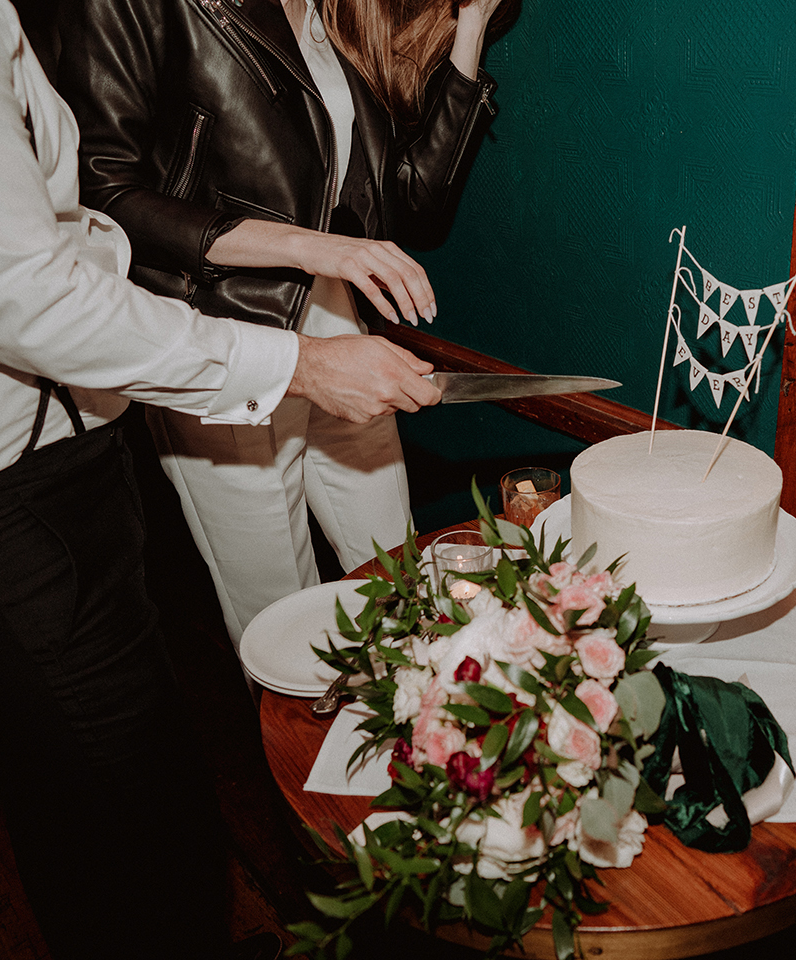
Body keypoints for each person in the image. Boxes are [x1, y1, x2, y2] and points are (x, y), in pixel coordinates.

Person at [0, 0, 441, 956]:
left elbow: (404, 190)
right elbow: (60, 252)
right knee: (128, 818)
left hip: (81, 438)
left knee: (131, 799)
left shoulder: (337, 19)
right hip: (3, 483)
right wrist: (296, 352)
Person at [56, 0, 515, 651]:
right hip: (222, 338)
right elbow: (100, 192)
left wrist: (470, 29)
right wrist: (307, 245)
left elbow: (414, 203)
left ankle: (423, 742)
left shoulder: (341, 19)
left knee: (404, 585)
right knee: (285, 622)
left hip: (341, 328)